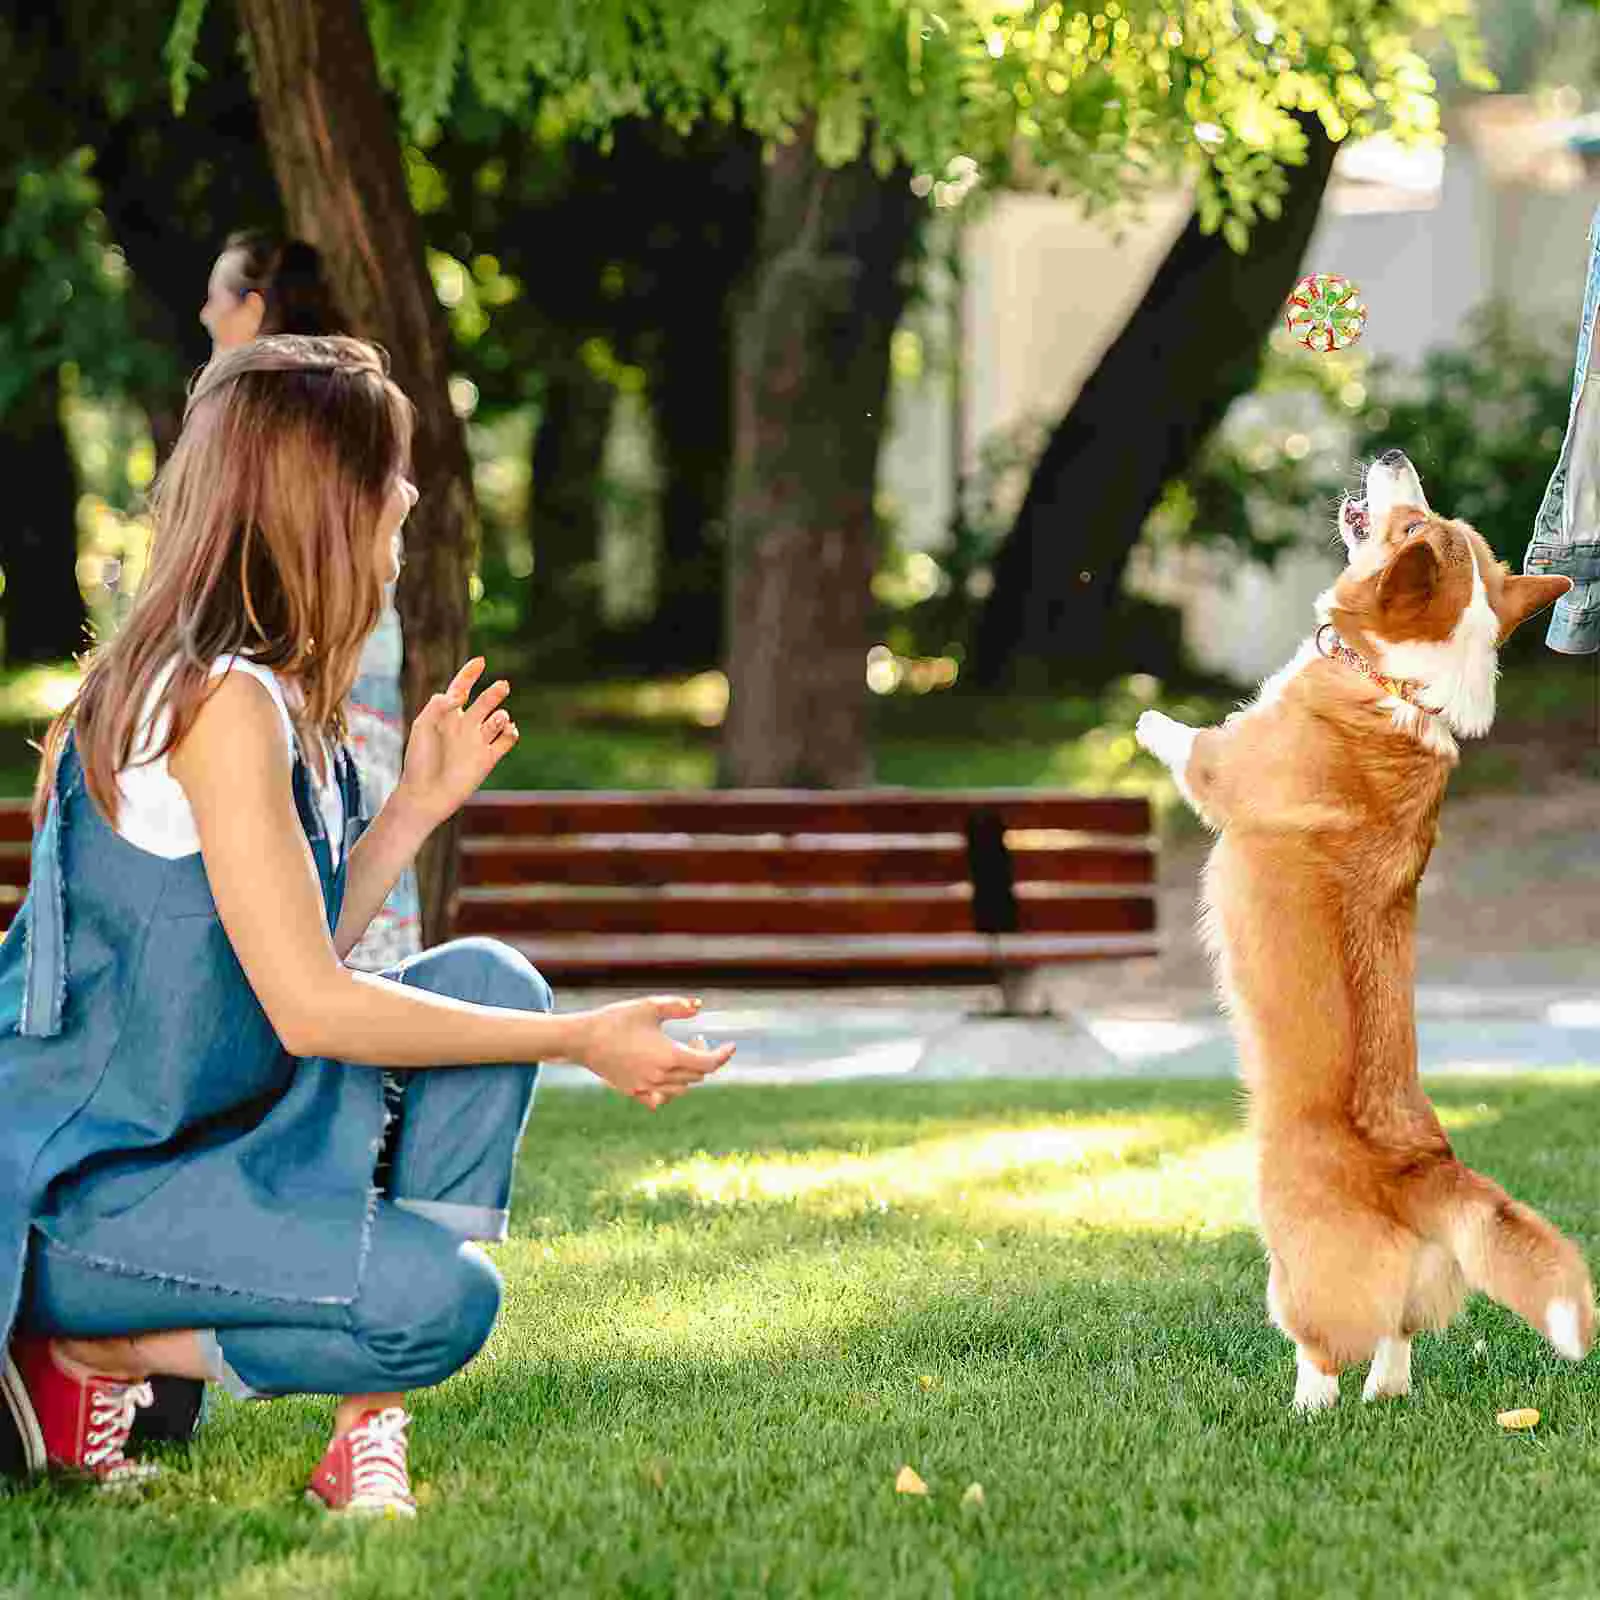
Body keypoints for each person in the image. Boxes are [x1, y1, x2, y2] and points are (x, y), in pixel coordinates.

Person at [0, 335, 733, 1515]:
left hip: (203, 1141)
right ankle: (97, 1352)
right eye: (384, 473)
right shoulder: (216, 704)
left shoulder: (263, 689)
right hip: (84, 1194)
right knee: (441, 1302)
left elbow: (274, 952)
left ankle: (359, 1423)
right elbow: (308, 1005)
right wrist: (585, 1042)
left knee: (492, 979)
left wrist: (408, 814)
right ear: (322, 504)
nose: (407, 496)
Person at [201, 231, 418, 969]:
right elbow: (305, 993)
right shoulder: (236, 700)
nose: (204, 314)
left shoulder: (297, 420)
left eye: (215, 297)